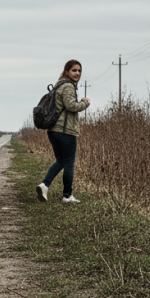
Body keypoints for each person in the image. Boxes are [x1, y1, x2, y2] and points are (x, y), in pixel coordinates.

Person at [36, 60, 90, 203]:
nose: (77, 73)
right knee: (69, 163)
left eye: (79, 70)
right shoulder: (67, 86)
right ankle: (67, 195)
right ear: (66, 72)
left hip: (53, 130)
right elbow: (71, 106)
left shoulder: (58, 85)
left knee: (61, 161)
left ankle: (44, 185)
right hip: (66, 131)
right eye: (74, 70)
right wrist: (85, 103)